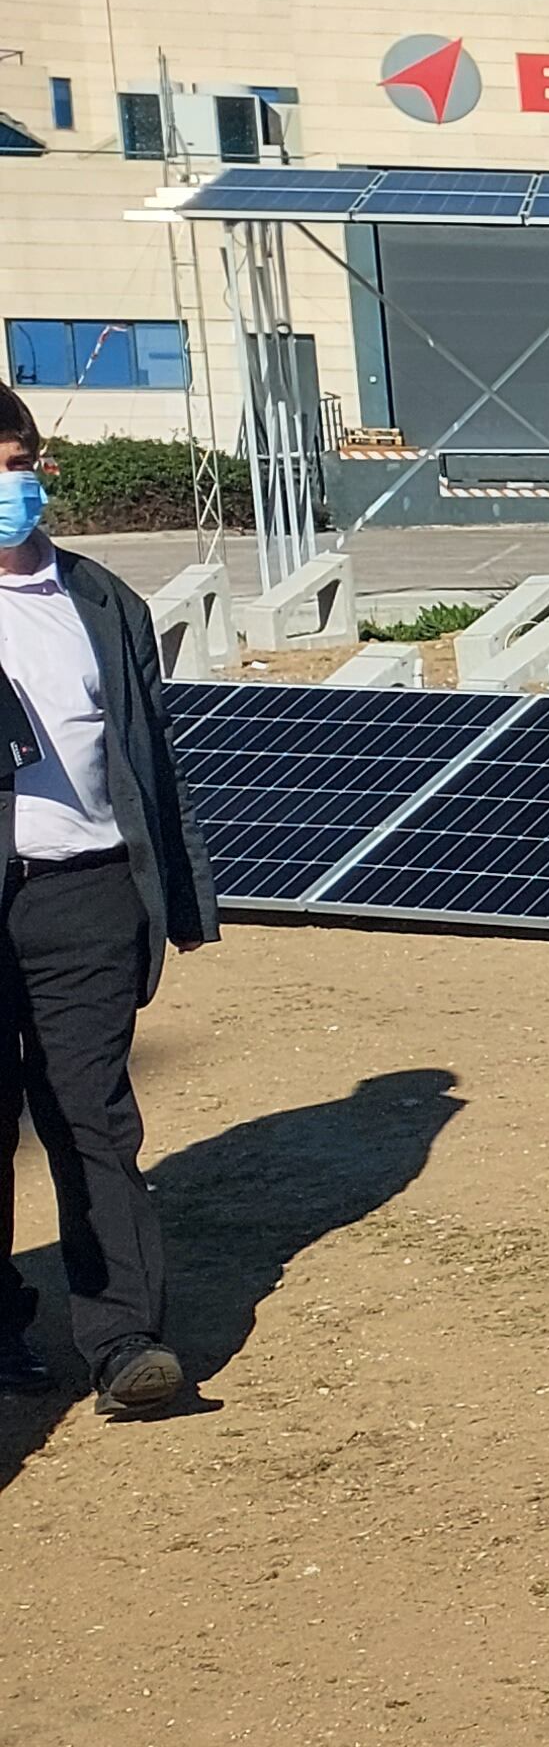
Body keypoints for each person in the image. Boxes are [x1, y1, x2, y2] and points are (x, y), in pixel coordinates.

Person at [0, 383, 217, 1417]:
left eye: (21, 461)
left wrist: (175, 896)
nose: (14, 485)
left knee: (93, 1119)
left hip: (88, 894)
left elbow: (147, 762)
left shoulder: (103, 603)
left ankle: (123, 1340)